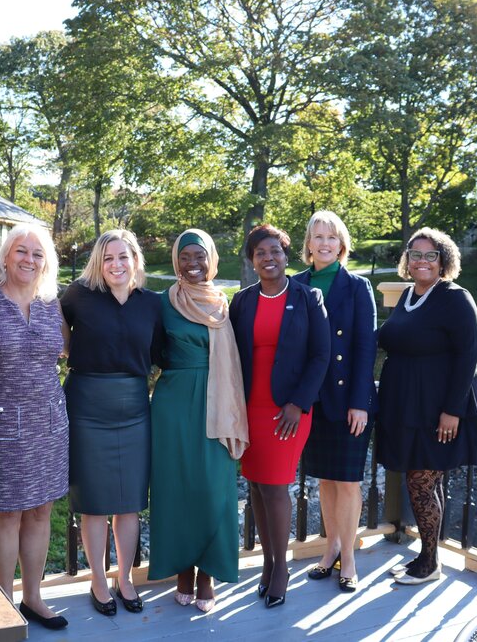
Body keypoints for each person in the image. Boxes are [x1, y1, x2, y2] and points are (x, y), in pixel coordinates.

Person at [0, 223, 69, 630]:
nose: (29, 259)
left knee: (41, 511)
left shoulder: (52, 304)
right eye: (21, 251)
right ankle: (2, 603)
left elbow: (65, 350)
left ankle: (33, 598)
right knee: (7, 513)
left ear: (47, 262)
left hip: (48, 422)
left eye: (37, 254)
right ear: (6, 256)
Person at [60, 229, 164, 617]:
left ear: (135, 260)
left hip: (135, 405)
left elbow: (160, 352)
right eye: (108, 258)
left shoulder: (151, 304)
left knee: (130, 501)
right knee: (94, 501)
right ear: (98, 264)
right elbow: (57, 329)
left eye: (123, 257)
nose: (116, 265)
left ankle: (125, 577)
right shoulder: (77, 296)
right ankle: (98, 580)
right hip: (87, 404)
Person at [376, 227, 477, 585]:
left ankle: (429, 564)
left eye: (430, 255)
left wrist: (452, 410)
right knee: (425, 481)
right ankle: (427, 556)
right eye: (416, 255)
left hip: (439, 408)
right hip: (407, 404)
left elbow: (469, 354)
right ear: (407, 260)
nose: (422, 261)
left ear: (444, 261)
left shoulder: (455, 298)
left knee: (421, 483)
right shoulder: (408, 295)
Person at [229, 224, 330, 608]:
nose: (269, 258)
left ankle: (281, 568)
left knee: (275, 487)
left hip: (287, 411)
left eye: (275, 251)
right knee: (255, 485)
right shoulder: (242, 301)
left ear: (287, 255)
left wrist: (298, 403)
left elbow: (321, 355)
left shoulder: (308, 297)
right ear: (252, 260)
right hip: (249, 408)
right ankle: (268, 566)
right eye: (260, 253)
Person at [148, 229, 249, 613]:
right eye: (185, 257)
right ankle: (182, 573)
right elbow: (153, 351)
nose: (193, 264)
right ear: (176, 261)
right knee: (175, 490)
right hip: (174, 405)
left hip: (218, 404)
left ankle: (207, 573)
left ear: (212, 259)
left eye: (200, 256)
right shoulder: (163, 303)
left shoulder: (226, 305)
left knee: (213, 489)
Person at [292, 211, 378, 594]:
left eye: (331, 237)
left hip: (349, 401)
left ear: (341, 244)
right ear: (308, 244)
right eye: (317, 237)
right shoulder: (296, 285)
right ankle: (330, 551)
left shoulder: (358, 286)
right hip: (312, 399)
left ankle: (350, 560)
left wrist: (360, 401)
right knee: (325, 479)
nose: (324, 243)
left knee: (348, 482)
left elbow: (365, 346)